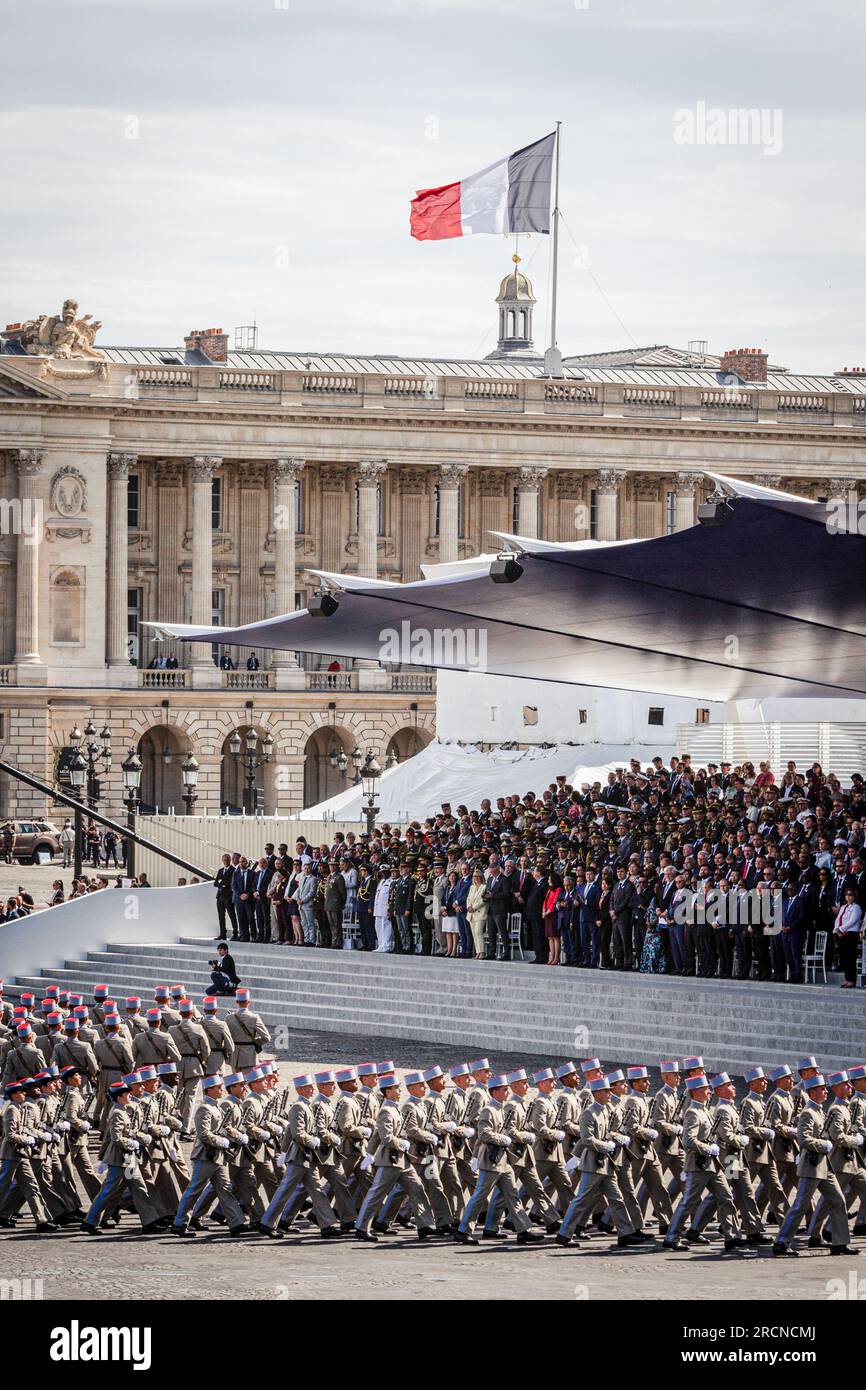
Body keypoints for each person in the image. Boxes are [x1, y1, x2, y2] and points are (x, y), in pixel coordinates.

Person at [833, 887, 863, 988]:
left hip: (851, 934)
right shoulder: (843, 907)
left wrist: (841, 928)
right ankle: (847, 979)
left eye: (850, 895)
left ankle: (852, 980)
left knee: (850, 958)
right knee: (844, 958)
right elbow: (838, 919)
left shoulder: (856, 908)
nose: (848, 897)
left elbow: (852, 921)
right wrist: (837, 929)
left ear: (854, 896)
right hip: (842, 934)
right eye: (847, 894)